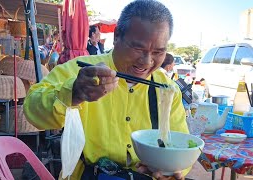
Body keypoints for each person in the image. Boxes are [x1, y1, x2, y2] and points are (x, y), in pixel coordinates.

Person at [23, 0, 189, 179]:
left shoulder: (167, 88)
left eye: (158, 52)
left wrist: (171, 170)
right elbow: (31, 109)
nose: (147, 61)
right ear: (117, 36)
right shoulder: (81, 72)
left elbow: (182, 147)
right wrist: (74, 93)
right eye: (138, 48)